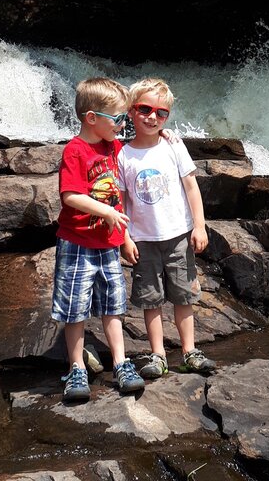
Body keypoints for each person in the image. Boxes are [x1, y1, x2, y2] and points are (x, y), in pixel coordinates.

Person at [51, 76, 146, 401]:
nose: (123, 124)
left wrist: (125, 238)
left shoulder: (114, 146)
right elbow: (71, 196)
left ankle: (120, 362)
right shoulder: (75, 151)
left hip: (108, 245)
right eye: (118, 119)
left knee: (112, 305)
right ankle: (76, 367)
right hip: (77, 244)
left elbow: (137, 155)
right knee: (74, 309)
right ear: (92, 118)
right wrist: (105, 213)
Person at [118, 77, 216, 379]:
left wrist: (199, 227)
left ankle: (189, 351)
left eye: (161, 113)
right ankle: (158, 354)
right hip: (143, 239)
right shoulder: (123, 155)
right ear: (132, 111)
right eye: (145, 109)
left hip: (178, 236)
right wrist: (124, 237)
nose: (153, 117)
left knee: (184, 295)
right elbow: (119, 202)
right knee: (151, 299)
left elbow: (191, 187)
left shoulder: (173, 145)